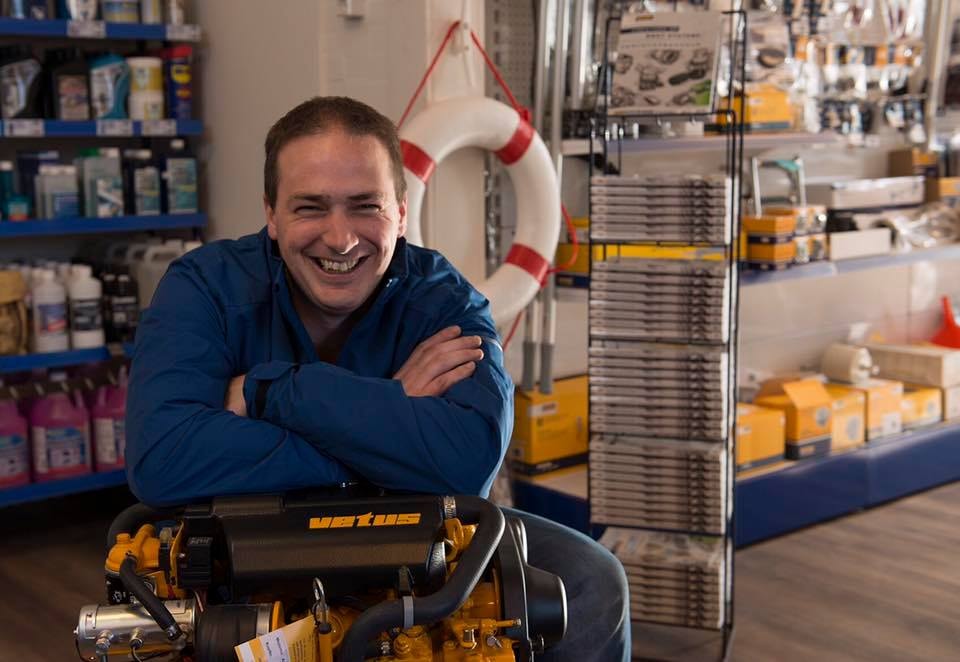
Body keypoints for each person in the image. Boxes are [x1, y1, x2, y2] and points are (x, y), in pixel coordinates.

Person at [126, 96, 629, 661]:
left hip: (417, 527)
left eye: (365, 206)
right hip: (241, 534)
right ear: (271, 214)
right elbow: (163, 458)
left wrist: (272, 389)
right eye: (311, 207)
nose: (340, 239)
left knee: (592, 582)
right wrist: (384, 420)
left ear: (402, 212)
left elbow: (466, 464)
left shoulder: (446, 303)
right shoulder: (203, 287)